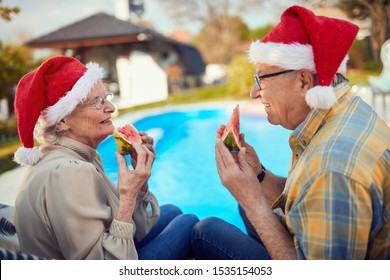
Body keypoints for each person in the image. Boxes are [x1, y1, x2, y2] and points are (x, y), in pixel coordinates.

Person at [191, 5, 390, 260]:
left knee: (204, 231)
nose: (254, 92)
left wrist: (253, 201)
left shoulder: (332, 168)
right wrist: (258, 175)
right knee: (246, 206)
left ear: (304, 81)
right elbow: (307, 195)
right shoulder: (343, 110)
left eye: (262, 78)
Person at [13, 55, 198, 260]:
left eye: (106, 98)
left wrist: (140, 183)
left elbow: (133, 229)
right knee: (191, 224)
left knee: (172, 211)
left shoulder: (80, 157)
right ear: (63, 120)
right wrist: (127, 197)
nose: (111, 108)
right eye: (96, 102)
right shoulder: (70, 172)